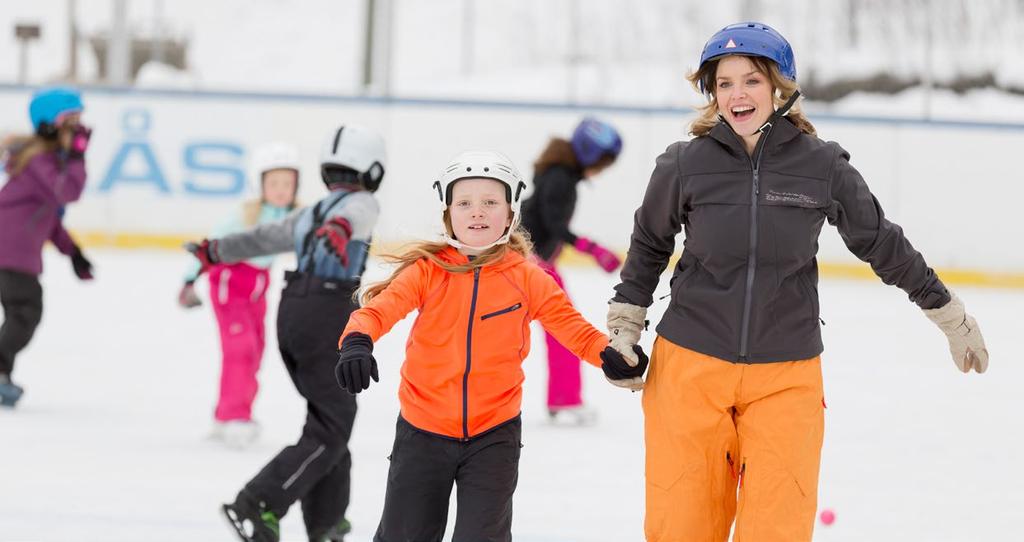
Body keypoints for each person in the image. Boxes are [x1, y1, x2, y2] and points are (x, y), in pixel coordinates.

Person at [605, 22, 989, 541]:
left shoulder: (821, 164)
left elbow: (881, 242)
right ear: (711, 94)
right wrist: (625, 329)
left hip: (786, 373)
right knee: (682, 527)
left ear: (780, 87)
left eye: (752, 81)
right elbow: (650, 245)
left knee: (779, 528)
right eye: (724, 83)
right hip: (690, 368)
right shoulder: (684, 164)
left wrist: (949, 315)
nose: (737, 94)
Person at [333, 150, 647, 542]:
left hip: (493, 436)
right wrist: (357, 343)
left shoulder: (527, 277)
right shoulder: (428, 272)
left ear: (510, 212)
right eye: (464, 203)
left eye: (490, 203)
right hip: (422, 431)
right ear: (449, 213)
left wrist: (609, 355)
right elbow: (376, 312)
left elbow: (574, 329)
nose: (477, 212)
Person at [186, 124, 387, 542]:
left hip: (293, 311)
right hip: (327, 315)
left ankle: (327, 520)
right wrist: (341, 231)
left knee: (331, 419)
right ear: (371, 170)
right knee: (333, 424)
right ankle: (258, 503)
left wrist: (215, 250)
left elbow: (264, 237)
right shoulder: (361, 204)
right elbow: (354, 215)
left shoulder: (309, 212)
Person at [177, 142, 300, 448]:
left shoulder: (295, 216)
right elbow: (209, 246)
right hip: (229, 282)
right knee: (240, 348)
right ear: (258, 185)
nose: (281, 190)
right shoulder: (244, 215)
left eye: (288, 183)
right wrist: (189, 280)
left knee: (256, 349)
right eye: (273, 183)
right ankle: (235, 416)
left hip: (258, 287)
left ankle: (225, 414)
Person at [519, 117, 624, 424]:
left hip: (532, 261)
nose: (603, 169)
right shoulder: (560, 179)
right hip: (532, 265)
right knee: (565, 329)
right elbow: (554, 226)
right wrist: (593, 249)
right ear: (591, 155)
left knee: (558, 329)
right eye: (603, 162)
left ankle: (563, 399)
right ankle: (565, 399)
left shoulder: (557, 174)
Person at [0, 87, 93, 408]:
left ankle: (1, 376)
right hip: (9, 250)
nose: (79, 129)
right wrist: (78, 157)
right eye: (71, 121)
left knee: (20, 312)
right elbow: (67, 192)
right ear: (48, 125)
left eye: (81, 121)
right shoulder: (40, 159)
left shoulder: (46, 160)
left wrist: (74, 253)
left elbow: (50, 217)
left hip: (13, 251)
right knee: (25, 311)